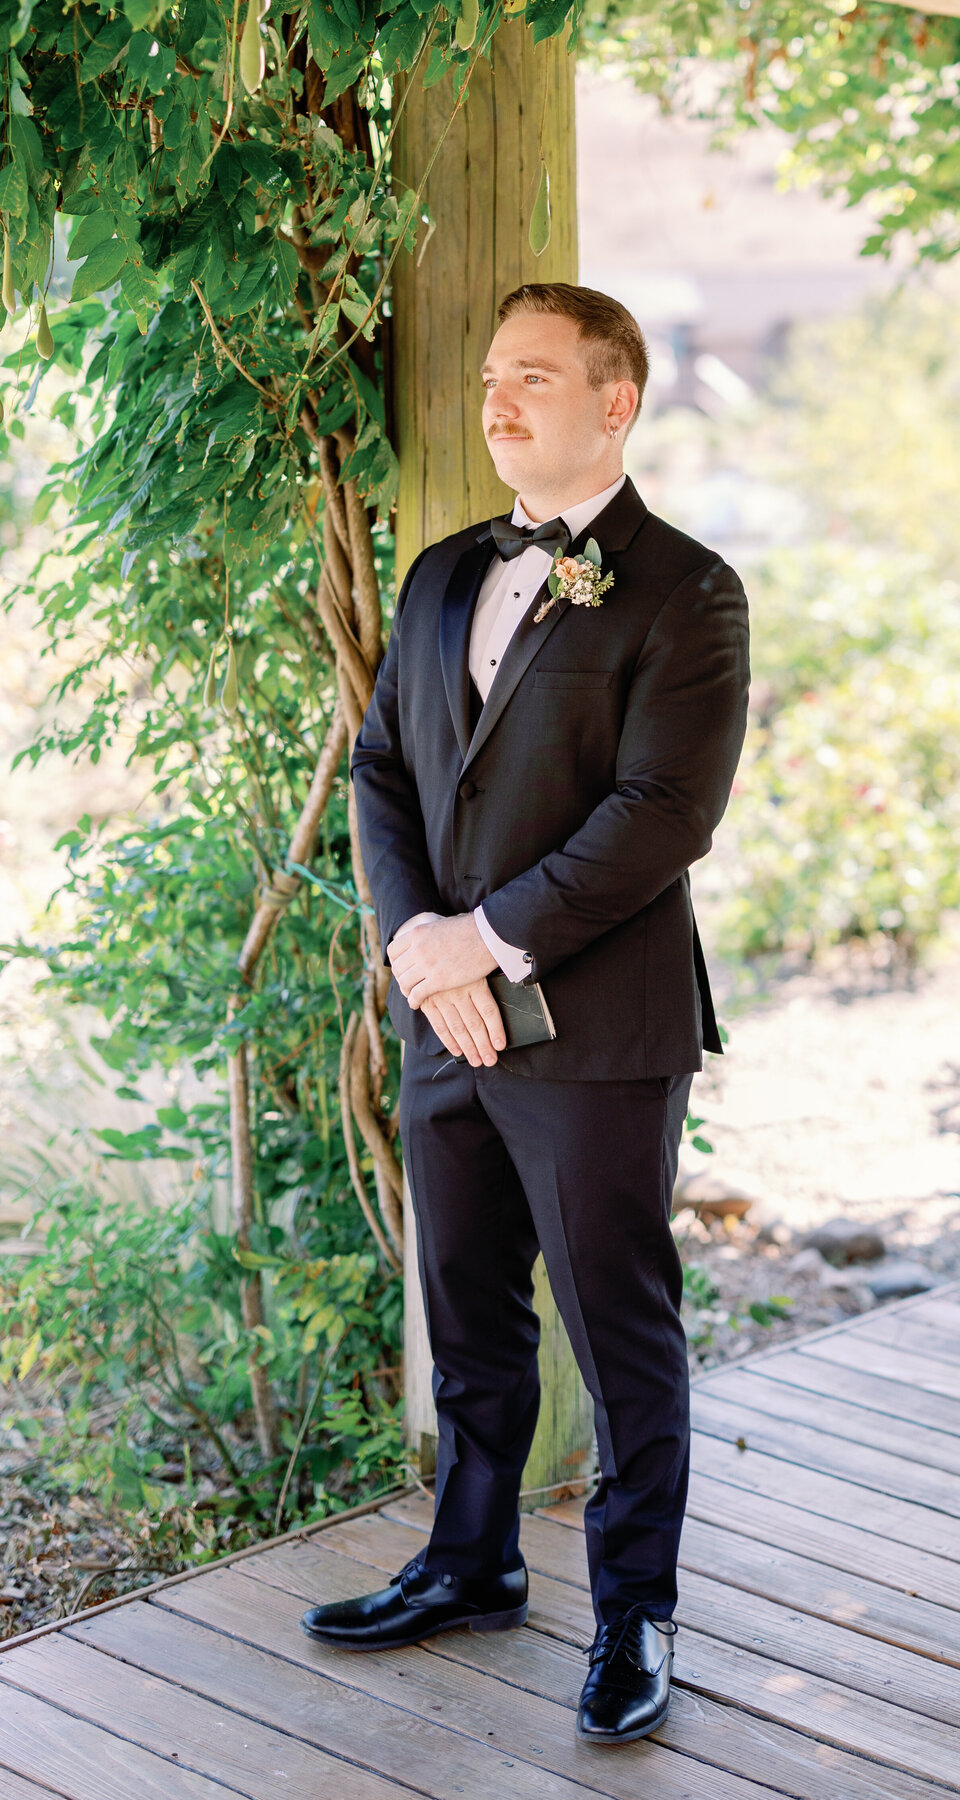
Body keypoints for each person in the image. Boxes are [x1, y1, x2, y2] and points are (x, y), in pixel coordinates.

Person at [301, 281, 749, 1747]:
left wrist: (482, 944)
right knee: (470, 1306)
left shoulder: (689, 592)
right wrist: (423, 956)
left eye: (534, 379)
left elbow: (663, 815)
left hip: (599, 1034)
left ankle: (635, 1610)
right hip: (447, 1019)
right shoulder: (440, 575)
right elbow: (381, 772)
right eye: (493, 376)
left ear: (615, 401)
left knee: (619, 1331)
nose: (497, 402)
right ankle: (472, 1560)